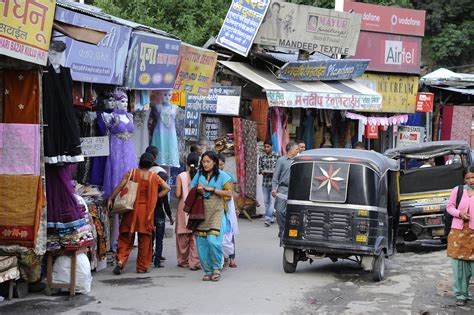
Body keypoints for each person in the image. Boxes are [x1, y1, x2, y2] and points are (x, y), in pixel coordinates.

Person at [107, 153, 170, 274]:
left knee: (125, 237)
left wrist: (111, 198)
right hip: (146, 212)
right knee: (145, 240)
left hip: (130, 210)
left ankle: (120, 261)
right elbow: (167, 187)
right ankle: (141, 267)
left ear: (140, 162)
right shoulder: (154, 177)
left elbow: (121, 186)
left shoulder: (132, 173)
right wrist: (155, 197)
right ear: (151, 164)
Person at [190, 151, 233, 281]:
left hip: (217, 211)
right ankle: (208, 271)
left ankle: (216, 268)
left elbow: (229, 193)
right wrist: (198, 189)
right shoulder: (199, 175)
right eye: (203, 162)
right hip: (201, 211)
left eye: (208, 161)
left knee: (213, 241)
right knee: (201, 243)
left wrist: (212, 189)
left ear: (214, 162)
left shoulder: (223, 176)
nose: (205, 164)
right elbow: (191, 188)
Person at [446, 166, 474, 306]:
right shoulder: (458, 190)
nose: (471, 180)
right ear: (464, 179)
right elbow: (449, 207)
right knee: (459, 267)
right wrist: (459, 214)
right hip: (458, 232)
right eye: (468, 178)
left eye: (473, 177)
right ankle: (461, 295)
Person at [174, 154, 201, 270]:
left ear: (186, 163)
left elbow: (178, 194)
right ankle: (194, 262)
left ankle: (183, 261)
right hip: (196, 206)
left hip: (183, 207)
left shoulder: (181, 176)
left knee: (183, 235)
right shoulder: (200, 176)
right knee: (195, 236)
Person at [272, 142, 299, 239]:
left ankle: (286, 230)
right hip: (282, 189)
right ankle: (282, 228)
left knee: (292, 212)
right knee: (279, 211)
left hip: (295, 190)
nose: (298, 150)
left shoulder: (298, 160)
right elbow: (275, 176)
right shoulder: (281, 160)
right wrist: (274, 189)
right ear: (290, 150)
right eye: (296, 149)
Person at [217, 153, 239, 269]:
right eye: (218, 164)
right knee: (221, 234)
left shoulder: (228, 176)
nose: (220, 167)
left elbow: (232, 194)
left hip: (227, 207)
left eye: (222, 164)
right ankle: (223, 258)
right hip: (217, 208)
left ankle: (232, 258)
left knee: (230, 232)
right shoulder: (212, 176)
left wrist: (235, 208)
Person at [153, 171, 174, 268]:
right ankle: (157, 260)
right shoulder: (163, 191)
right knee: (159, 239)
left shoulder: (151, 189)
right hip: (160, 216)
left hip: (150, 216)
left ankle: (149, 257)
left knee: (150, 238)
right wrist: (170, 218)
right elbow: (166, 206)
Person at [259, 141, 279, 227]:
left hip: (274, 183)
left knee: (272, 201)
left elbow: (279, 170)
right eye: (265, 147)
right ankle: (271, 217)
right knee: (266, 202)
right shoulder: (262, 157)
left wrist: (274, 172)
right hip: (265, 182)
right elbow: (260, 170)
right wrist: (263, 171)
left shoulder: (277, 156)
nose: (266, 148)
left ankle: (268, 218)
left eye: (268, 147)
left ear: (271, 147)